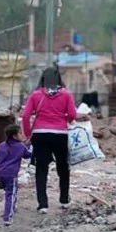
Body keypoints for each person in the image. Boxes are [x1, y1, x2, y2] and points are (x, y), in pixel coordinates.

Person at [22, 67, 77, 214]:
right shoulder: (66, 94)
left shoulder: (35, 95)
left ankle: (43, 204)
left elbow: (26, 116)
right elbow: (72, 114)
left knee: (41, 168)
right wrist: (65, 120)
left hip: (40, 134)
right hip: (60, 134)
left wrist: (28, 133)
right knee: (63, 167)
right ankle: (64, 200)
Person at [0, 124, 32, 226]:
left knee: (9, 192)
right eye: (20, 133)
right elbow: (27, 155)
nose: (22, 135)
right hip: (11, 174)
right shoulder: (20, 146)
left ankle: (11, 208)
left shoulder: (1, 145)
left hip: (0, 173)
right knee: (11, 194)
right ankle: (8, 216)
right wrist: (31, 146)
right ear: (14, 136)